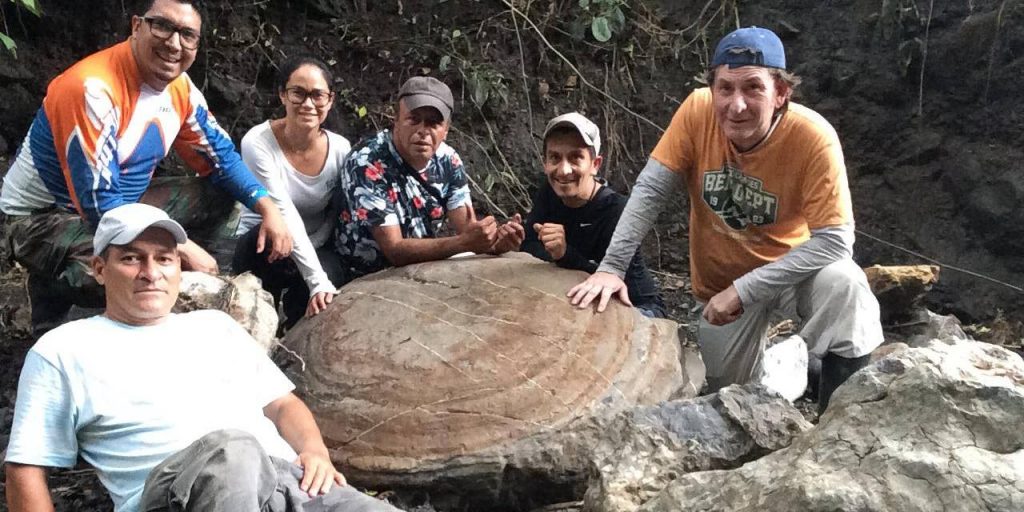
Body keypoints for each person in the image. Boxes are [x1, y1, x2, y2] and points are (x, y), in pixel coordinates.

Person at [4, 203, 400, 512]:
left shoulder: (215, 326)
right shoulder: (63, 350)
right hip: (178, 492)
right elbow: (25, 467)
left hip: (285, 482)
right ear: (99, 269)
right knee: (233, 451)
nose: (150, 272)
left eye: (164, 258)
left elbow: (282, 405)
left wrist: (314, 451)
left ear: (179, 267)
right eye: (131, 258)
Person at [568, 27, 883, 413]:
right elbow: (650, 190)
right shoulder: (697, 111)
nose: (737, 105)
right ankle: (801, 368)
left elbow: (835, 242)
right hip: (720, 288)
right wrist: (612, 267)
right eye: (726, 88)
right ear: (712, 89)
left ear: (781, 93)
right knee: (729, 398)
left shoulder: (813, 138)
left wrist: (745, 289)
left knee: (846, 284)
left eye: (753, 88)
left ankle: (838, 424)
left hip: (791, 275)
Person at [0, 0, 292, 335]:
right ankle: (59, 301)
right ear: (137, 26)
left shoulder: (179, 88)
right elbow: (99, 202)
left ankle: (207, 295)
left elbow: (221, 159)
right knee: (127, 270)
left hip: (123, 203)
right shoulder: (92, 87)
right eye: (162, 26)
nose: (173, 43)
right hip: (43, 217)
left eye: (187, 35)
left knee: (224, 198)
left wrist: (267, 206)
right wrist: (180, 249)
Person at [335, 76, 523, 279]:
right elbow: (394, 249)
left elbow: (468, 229)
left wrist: (496, 242)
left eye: (434, 123)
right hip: (364, 273)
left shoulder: (448, 160)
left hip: (423, 267)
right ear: (396, 121)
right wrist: (463, 243)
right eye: (414, 120)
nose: (423, 131)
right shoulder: (367, 162)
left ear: (446, 130)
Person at [233, 56, 351, 327]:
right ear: (282, 96)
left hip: (316, 242)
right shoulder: (258, 142)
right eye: (298, 93)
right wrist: (316, 280)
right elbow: (281, 210)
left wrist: (318, 279)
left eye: (317, 95)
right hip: (265, 244)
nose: (308, 104)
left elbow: (336, 213)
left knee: (324, 289)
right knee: (271, 250)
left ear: (330, 101)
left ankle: (296, 339)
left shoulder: (341, 149)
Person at [522, 112, 666, 318]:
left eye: (575, 158)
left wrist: (564, 254)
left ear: (595, 164)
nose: (563, 171)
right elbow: (529, 245)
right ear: (545, 163)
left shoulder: (615, 210)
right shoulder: (549, 192)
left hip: (636, 305)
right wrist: (512, 239)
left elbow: (610, 277)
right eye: (555, 158)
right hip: (578, 291)